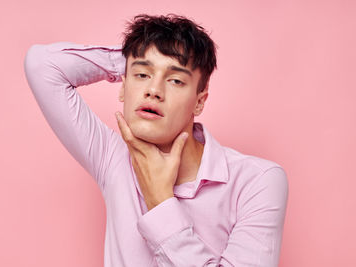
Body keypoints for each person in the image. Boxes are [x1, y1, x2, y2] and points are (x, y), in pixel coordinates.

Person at [24, 14, 288, 267]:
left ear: (199, 101)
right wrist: (133, 56)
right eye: (142, 76)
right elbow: (42, 65)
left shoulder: (257, 181)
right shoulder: (115, 161)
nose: (153, 90)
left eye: (175, 80)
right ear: (123, 86)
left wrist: (161, 201)